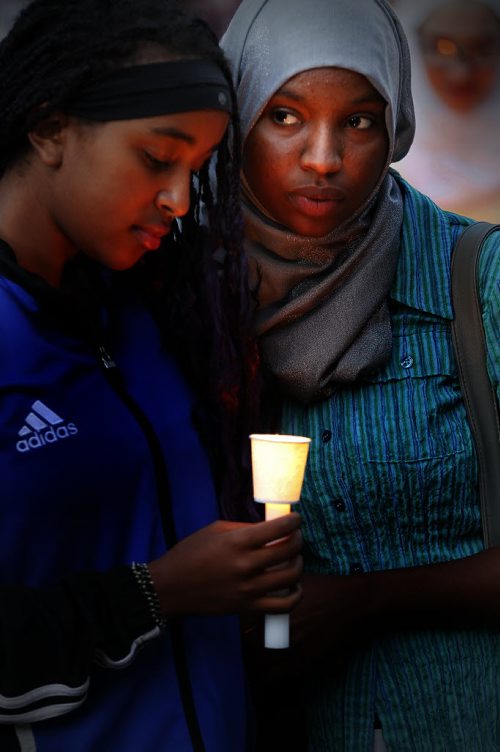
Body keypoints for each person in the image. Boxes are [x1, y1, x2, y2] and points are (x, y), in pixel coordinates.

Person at [0, 1, 303, 750]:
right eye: (156, 157)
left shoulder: (150, 302)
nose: (177, 200)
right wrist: (160, 591)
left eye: (197, 169)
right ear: (48, 129)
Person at [221, 0, 500, 750]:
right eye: (283, 116)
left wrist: (367, 601)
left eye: (359, 121)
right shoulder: (187, 302)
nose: (322, 158)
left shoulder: (477, 281)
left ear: (397, 127)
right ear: (236, 117)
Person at [394, 0, 500, 221]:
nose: (461, 73)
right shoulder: (380, 177)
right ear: (409, 49)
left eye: (482, 48)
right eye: (442, 48)